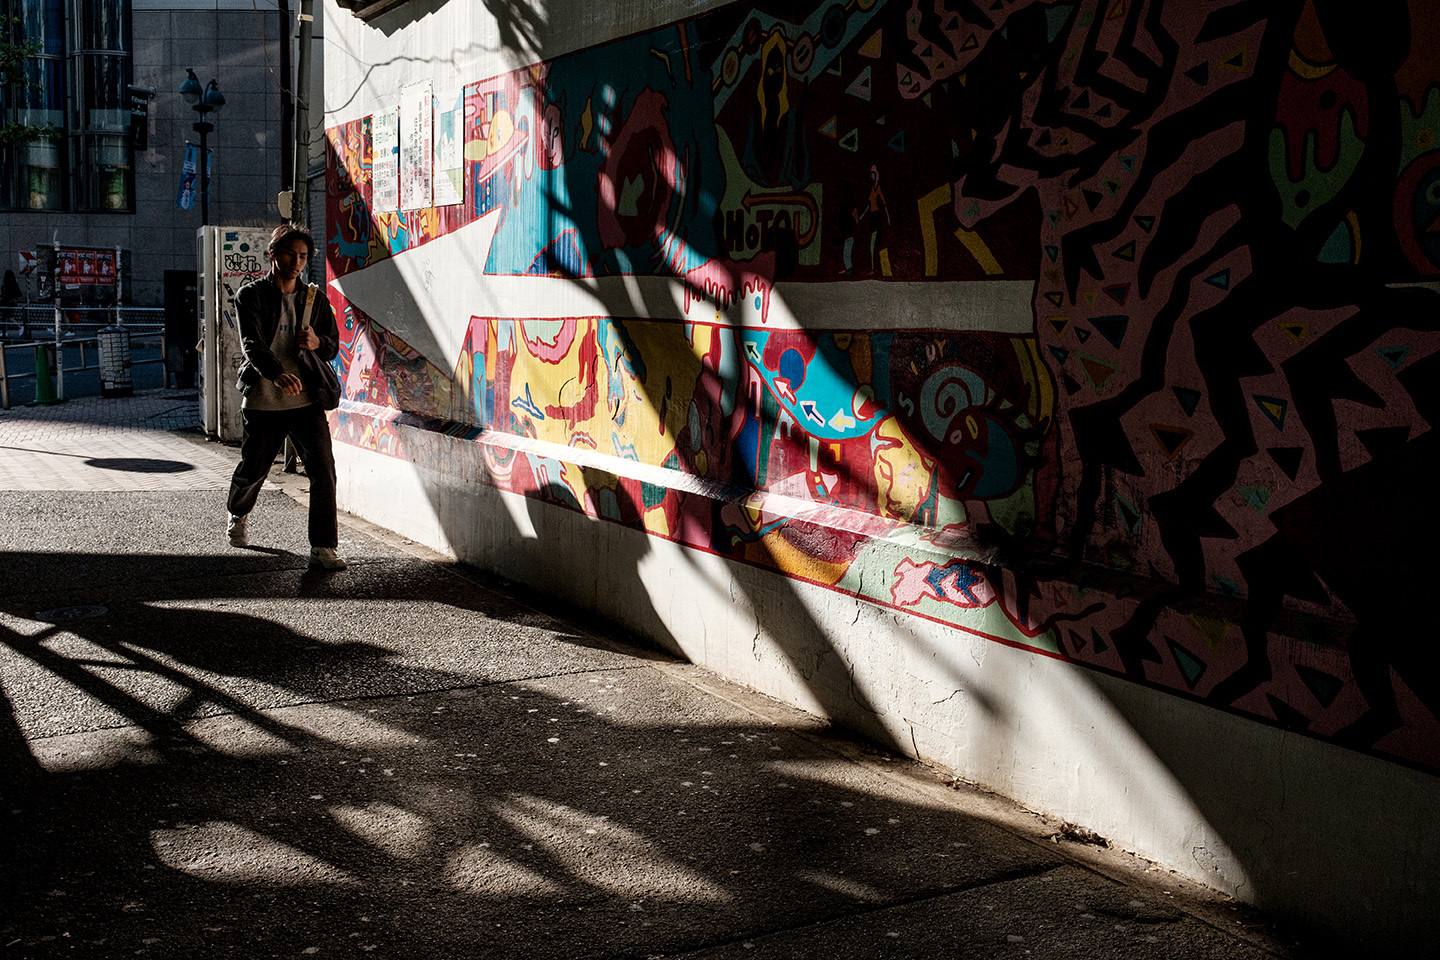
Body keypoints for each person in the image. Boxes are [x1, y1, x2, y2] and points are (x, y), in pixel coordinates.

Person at [225, 223, 346, 569]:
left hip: (306, 401)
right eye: (290, 254)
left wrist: (318, 343)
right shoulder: (250, 296)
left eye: (303, 256)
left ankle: (323, 548)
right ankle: (238, 511)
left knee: (323, 469)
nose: (297, 262)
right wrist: (276, 373)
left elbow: (333, 344)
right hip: (265, 400)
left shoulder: (315, 299)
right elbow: (251, 344)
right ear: (273, 254)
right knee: (254, 468)